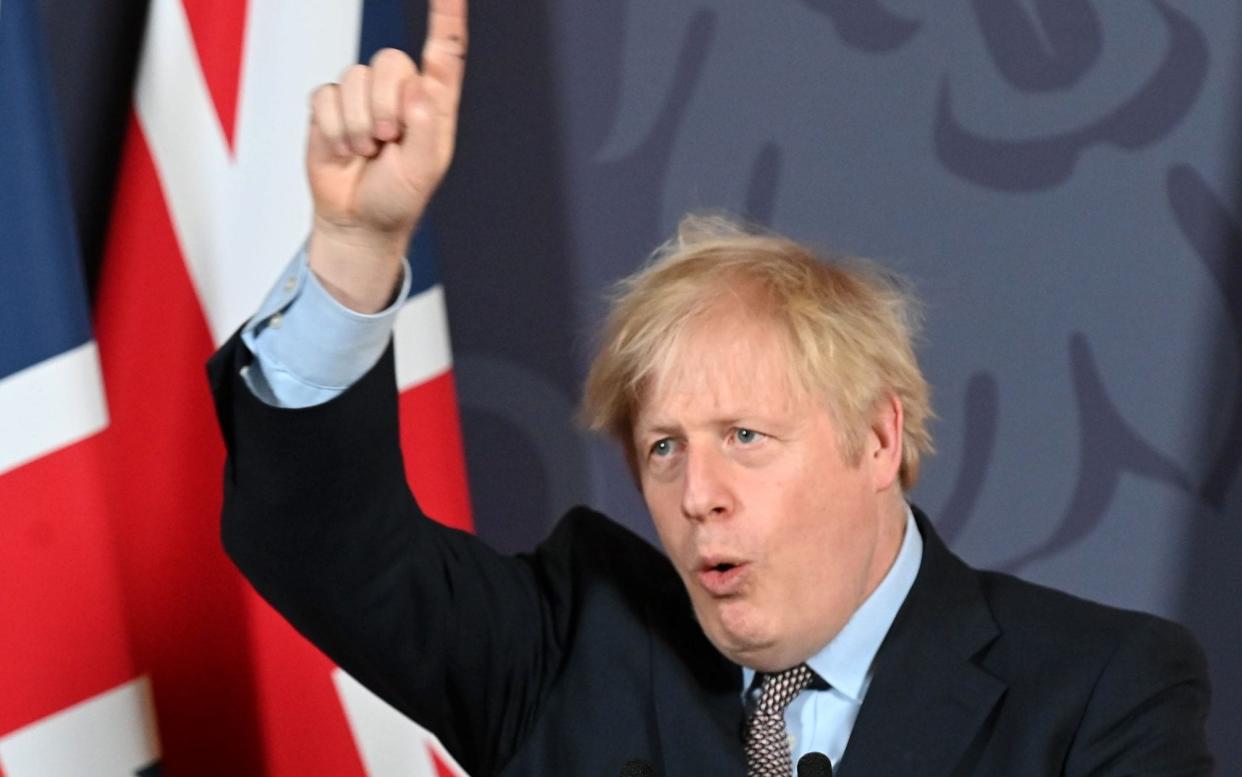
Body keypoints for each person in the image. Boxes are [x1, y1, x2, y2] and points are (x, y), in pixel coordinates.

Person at [208, 1, 1213, 774]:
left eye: (744, 437)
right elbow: (319, 544)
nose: (698, 495)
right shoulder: (570, 643)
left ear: (876, 440)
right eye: (664, 447)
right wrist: (356, 245)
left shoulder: (1097, 690)